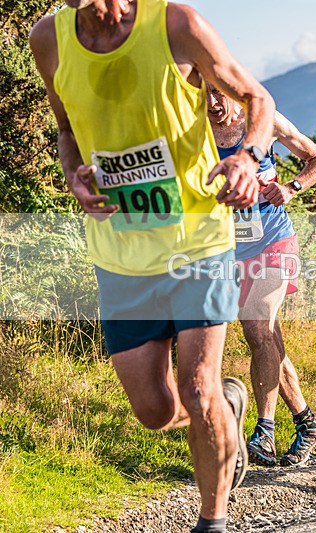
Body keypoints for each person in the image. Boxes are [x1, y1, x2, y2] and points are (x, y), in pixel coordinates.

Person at [29, 1, 276, 531]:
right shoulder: (48, 38)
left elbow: (258, 98)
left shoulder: (174, 24)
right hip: (120, 253)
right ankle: (227, 406)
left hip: (198, 242)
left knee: (197, 389)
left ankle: (212, 520)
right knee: (154, 410)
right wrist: (73, 174)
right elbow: (66, 129)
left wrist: (247, 157)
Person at [207, 85, 316, 467]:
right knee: (268, 339)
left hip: (275, 240)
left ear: (233, 90)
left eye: (218, 93)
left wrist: (292, 187)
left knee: (256, 324)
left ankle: (264, 431)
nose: (212, 104)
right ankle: (308, 423)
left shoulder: (263, 122)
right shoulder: (196, 131)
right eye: (204, 95)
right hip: (230, 250)